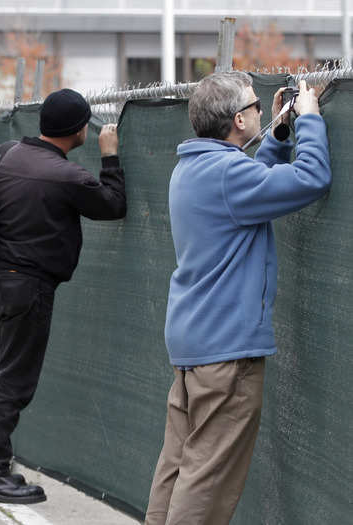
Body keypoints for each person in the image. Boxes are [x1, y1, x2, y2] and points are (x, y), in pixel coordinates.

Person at [144, 74, 331, 525]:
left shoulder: (193, 167)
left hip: (195, 345)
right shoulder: (229, 174)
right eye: (257, 108)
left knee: (177, 468)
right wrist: (309, 120)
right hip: (227, 355)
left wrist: (280, 132)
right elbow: (312, 178)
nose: (262, 112)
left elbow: (253, 184)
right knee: (207, 481)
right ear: (239, 119)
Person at [0, 88, 126, 504]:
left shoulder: (0, 154)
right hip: (27, 287)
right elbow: (112, 205)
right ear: (78, 130)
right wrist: (110, 158)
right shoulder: (65, 175)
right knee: (12, 382)